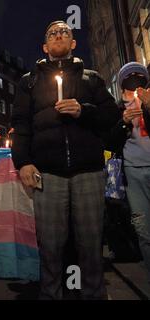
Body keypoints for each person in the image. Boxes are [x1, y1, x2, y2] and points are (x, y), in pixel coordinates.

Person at [11, 21, 120, 300]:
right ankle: (51, 295)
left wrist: (83, 110)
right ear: (45, 47)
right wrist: (22, 162)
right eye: (52, 33)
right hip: (48, 174)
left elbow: (110, 116)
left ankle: (94, 294)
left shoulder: (91, 79)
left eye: (65, 32)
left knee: (91, 243)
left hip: (88, 172)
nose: (59, 35)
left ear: (73, 44)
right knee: (50, 246)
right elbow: (21, 125)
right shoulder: (29, 81)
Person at [109, 62, 150, 282]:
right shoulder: (116, 108)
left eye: (139, 78)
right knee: (143, 226)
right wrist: (124, 123)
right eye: (130, 80)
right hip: (133, 170)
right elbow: (110, 142)